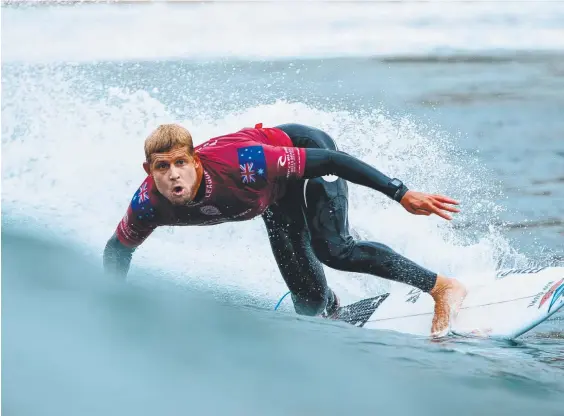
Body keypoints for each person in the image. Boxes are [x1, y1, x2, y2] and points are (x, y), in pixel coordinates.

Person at [103, 122, 467, 337]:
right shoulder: (147, 206)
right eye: (162, 167)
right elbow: (117, 250)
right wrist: (112, 308)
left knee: (334, 250)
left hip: (306, 152)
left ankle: (442, 287)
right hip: (273, 198)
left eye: (180, 162)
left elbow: (333, 161)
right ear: (148, 170)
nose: (172, 174)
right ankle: (332, 308)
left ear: (196, 161)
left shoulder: (244, 163)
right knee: (309, 305)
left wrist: (401, 193)